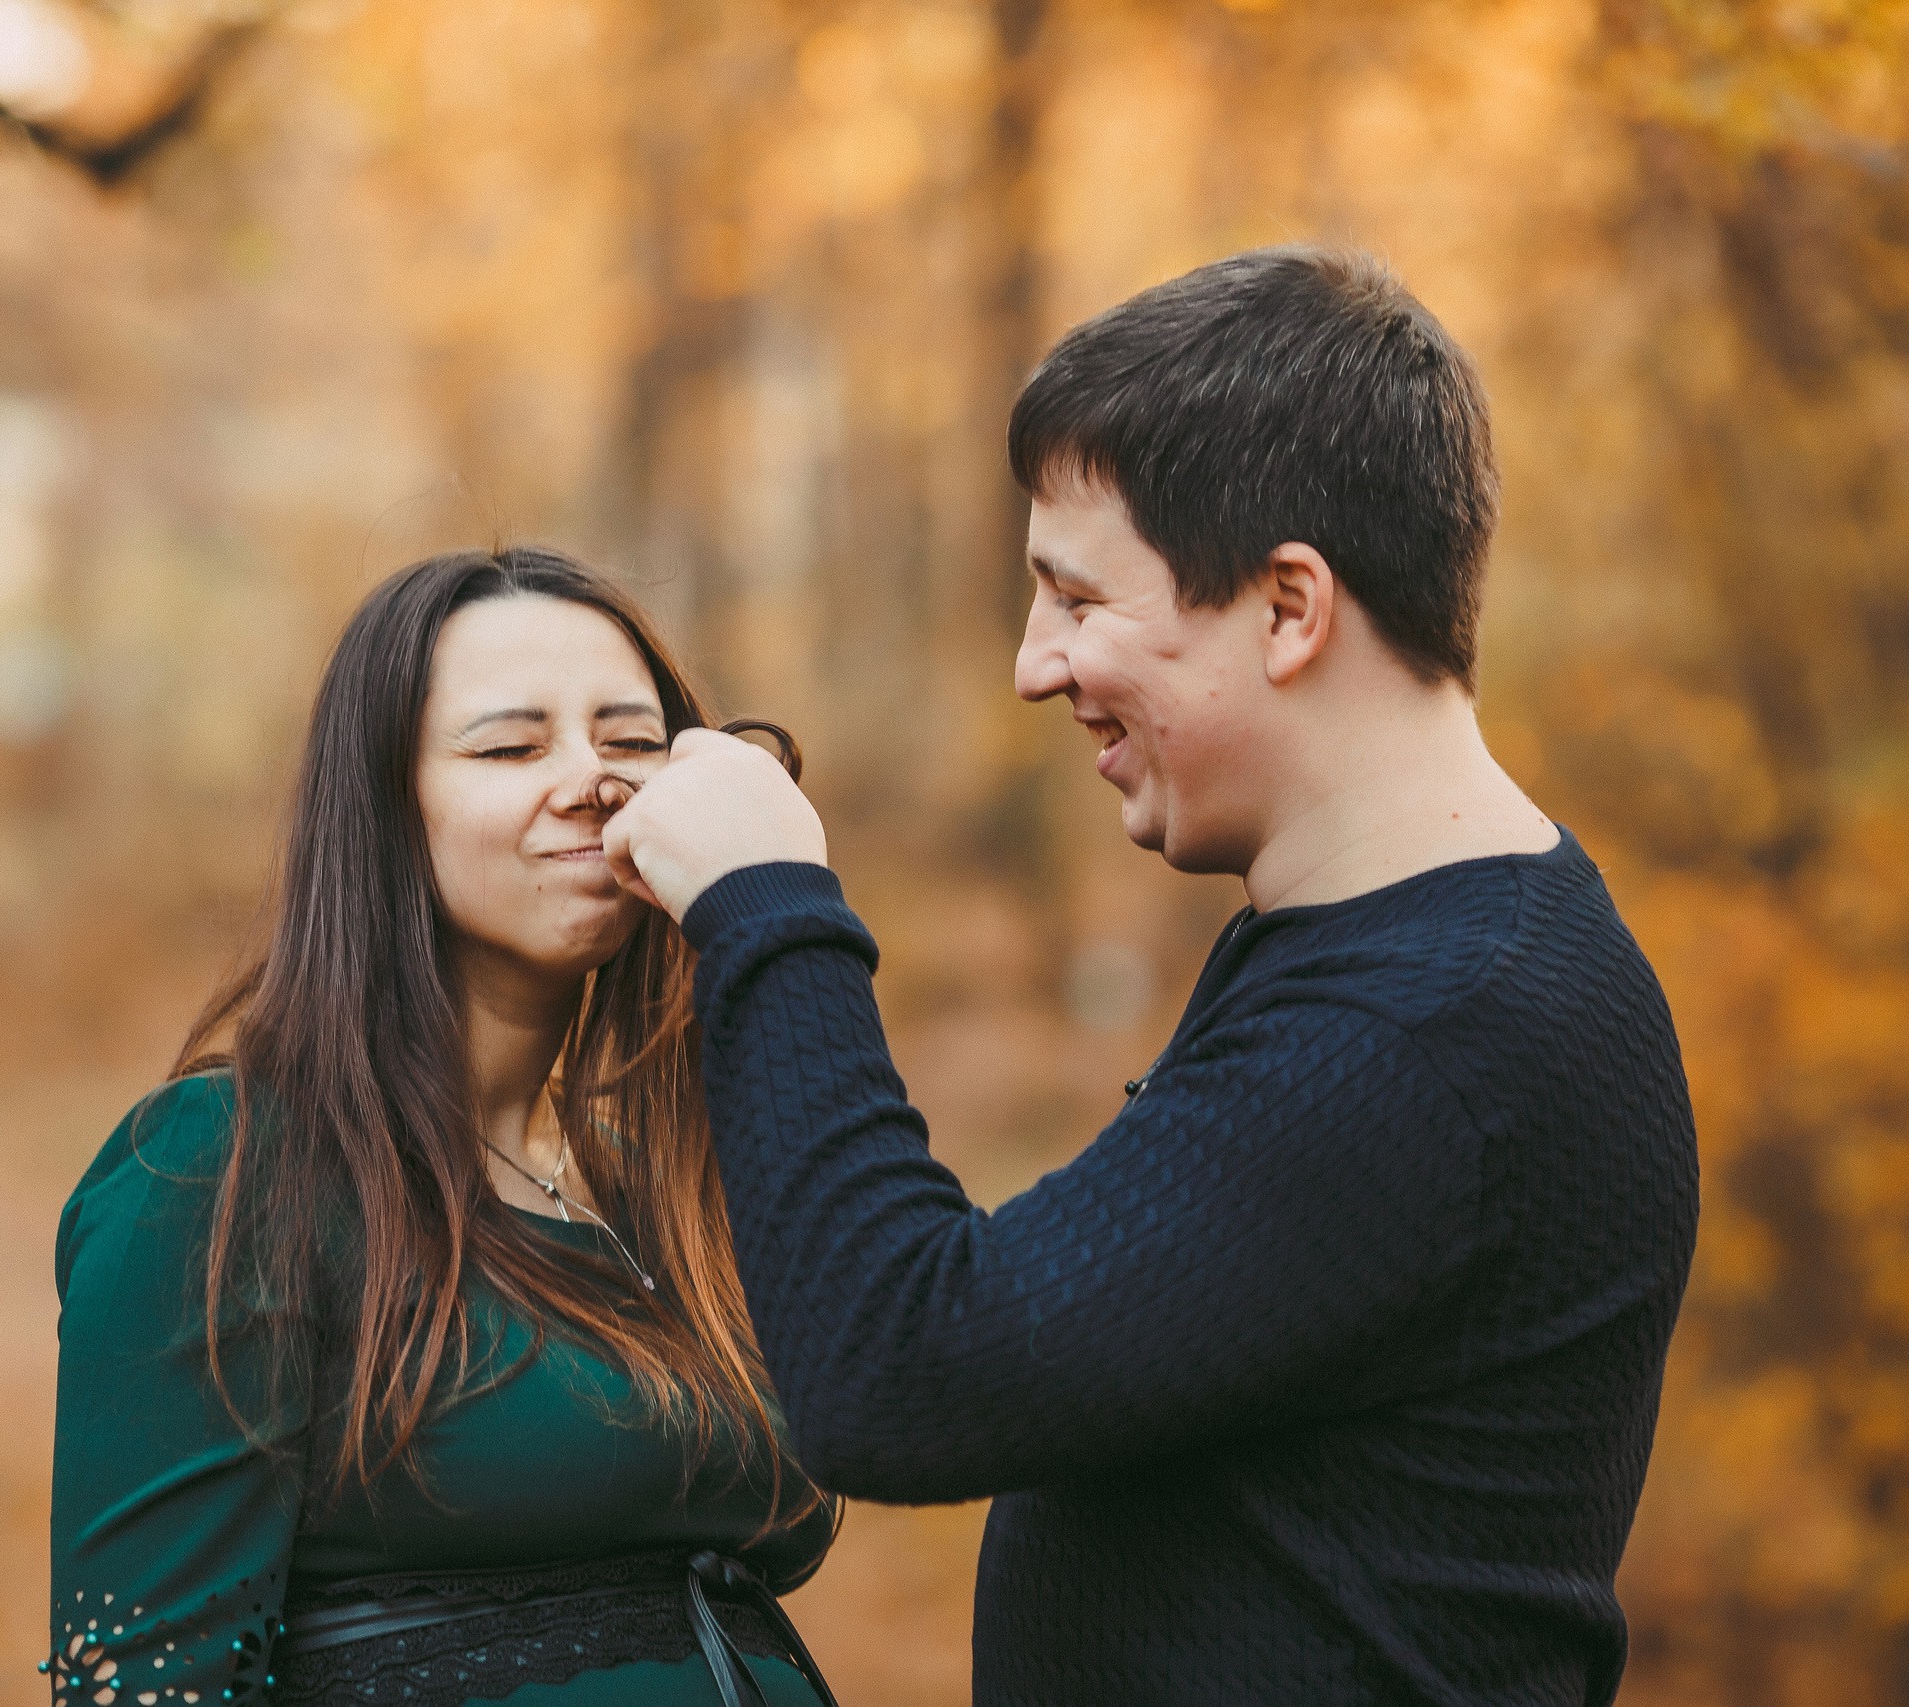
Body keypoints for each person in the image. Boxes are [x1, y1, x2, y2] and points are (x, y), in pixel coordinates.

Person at [602, 248, 1702, 1706]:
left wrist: (769, 907)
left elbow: (900, 1369)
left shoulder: (1423, 1034)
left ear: (1289, 607)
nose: (1034, 665)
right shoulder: (1425, 947)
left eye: (1075, 598)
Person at [45, 547, 840, 1707]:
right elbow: (150, 1683)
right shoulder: (219, 1170)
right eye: (511, 748)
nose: (592, 781)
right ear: (383, 811)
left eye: (630, 742)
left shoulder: (660, 1184)